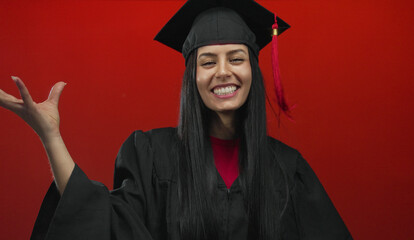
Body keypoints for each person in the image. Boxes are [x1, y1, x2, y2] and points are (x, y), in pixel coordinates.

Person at [0, 0, 352, 239]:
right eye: (208, 62)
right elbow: (106, 225)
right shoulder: (153, 155)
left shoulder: (287, 169)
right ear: (192, 77)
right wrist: (51, 137)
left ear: (253, 70)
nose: (223, 72)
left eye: (236, 58)